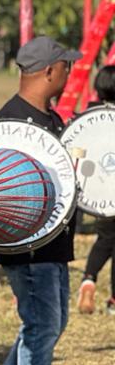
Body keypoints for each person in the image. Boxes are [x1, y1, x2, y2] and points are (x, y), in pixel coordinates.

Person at [0, 36, 81, 365]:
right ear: (49, 71)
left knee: (53, 321)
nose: (70, 72)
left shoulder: (51, 119)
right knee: (41, 324)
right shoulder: (10, 123)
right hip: (29, 245)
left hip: (55, 240)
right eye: (66, 66)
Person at [78, 64, 115, 315]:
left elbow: (77, 152)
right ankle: (114, 298)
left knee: (105, 238)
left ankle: (88, 279)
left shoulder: (87, 119)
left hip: (99, 192)